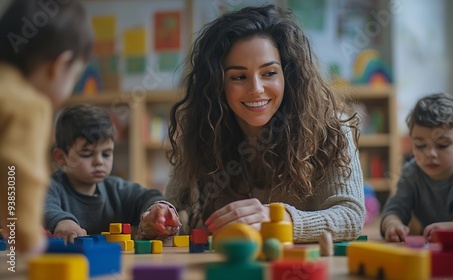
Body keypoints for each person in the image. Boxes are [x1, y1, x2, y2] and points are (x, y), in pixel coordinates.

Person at [165, 4, 365, 243]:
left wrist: (279, 219)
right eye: (239, 77)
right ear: (218, 84)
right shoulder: (202, 130)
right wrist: (161, 218)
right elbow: (178, 211)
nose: (256, 89)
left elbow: (351, 216)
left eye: (269, 73)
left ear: (287, 75)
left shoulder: (331, 129)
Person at [0, 0, 93, 255]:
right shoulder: (28, 104)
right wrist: (28, 240)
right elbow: (18, 173)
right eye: (74, 77)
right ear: (58, 65)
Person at [45, 104, 181, 243]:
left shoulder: (116, 189)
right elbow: (42, 205)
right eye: (86, 154)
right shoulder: (50, 187)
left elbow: (147, 196)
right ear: (61, 157)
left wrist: (157, 211)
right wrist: (62, 222)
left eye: (106, 154)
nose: (99, 162)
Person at [380, 93, 453, 242]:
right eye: (421, 145)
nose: (430, 153)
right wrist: (393, 225)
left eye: (442, 145)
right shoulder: (411, 173)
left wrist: (449, 231)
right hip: (432, 251)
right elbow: (393, 210)